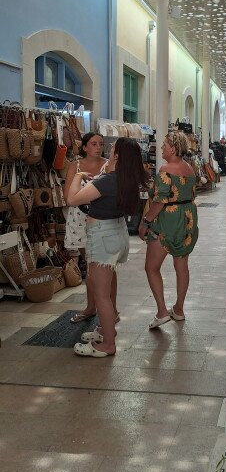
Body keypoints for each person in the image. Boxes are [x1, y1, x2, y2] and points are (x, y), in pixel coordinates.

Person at [67, 138, 149, 357]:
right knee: (104, 288)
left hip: (102, 237)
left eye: (112, 149)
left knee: (101, 294)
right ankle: (105, 329)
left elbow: (72, 199)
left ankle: (108, 344)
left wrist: (78, 176)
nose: (108, 151)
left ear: (118, 156)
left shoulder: (107, 181)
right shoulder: (126, 179)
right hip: (116, 233)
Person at [139, 131, 199, 328]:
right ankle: (179, 309)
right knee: (181, 267)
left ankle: (162, 311)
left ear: (173, 149)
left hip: (167, 221)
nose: (161, 148)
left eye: (164, 145)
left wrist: (146, 222)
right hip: (187, 219)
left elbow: (160, 200)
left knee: (151, 267)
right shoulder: (189, 168)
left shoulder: (166, 169)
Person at [63, 133, 107, 324]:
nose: (98, 147)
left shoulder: (108, 165)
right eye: (94, 144)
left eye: (101, 144)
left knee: (103, 265)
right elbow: (67, 195)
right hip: (80, 219)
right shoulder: (76, 166)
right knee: (90, 264)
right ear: (85, 147)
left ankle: (106, 307)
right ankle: (91, 307)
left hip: (102, 219)